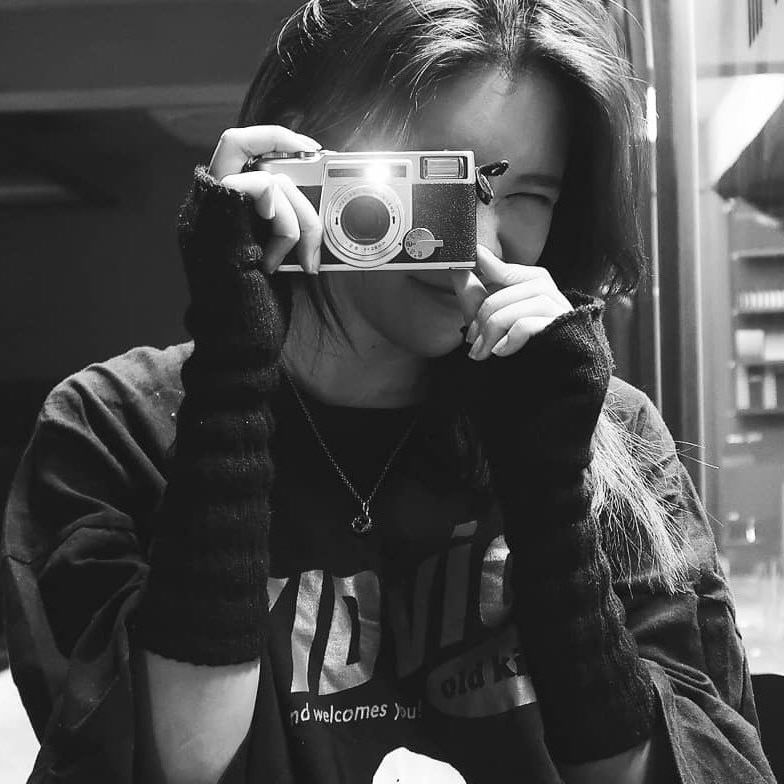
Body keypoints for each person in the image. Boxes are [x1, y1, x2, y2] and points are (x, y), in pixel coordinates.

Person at [1, 1, 776, 782]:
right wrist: (232, 379)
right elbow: (177, 766)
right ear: (294, 162)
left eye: (529, 196)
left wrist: (551, 494)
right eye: (436, 186)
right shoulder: (114, 426)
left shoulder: (605, 428)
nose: (476, 245)